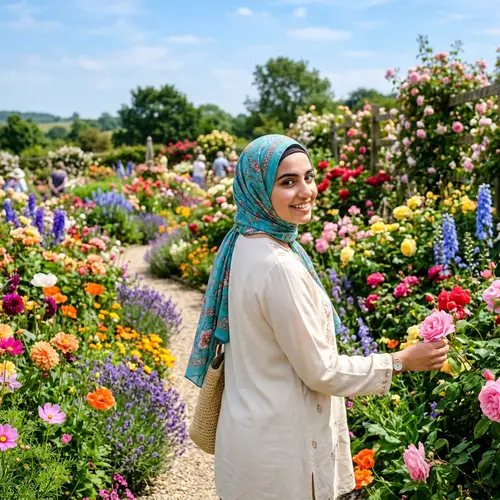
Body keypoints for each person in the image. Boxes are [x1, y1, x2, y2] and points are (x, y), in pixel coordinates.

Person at [186, 135, 449, 500]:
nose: (306, 191)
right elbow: (321, 371)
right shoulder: (278, 266)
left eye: (308, 177)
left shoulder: (245, 241)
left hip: (249, 440)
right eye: (287, 182)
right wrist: (401, 362)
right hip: (283, 457)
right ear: (258, 188)